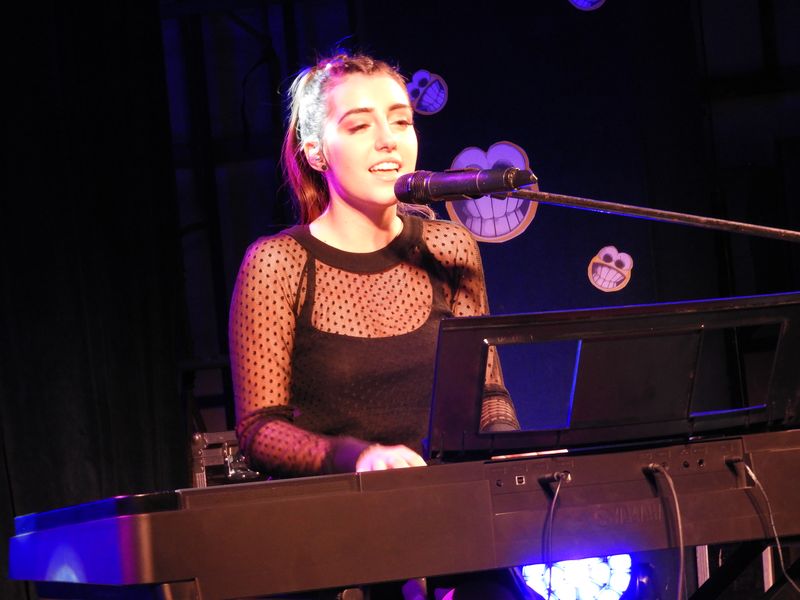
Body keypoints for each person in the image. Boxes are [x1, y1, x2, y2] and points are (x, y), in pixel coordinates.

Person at [229, 52, 534, 599]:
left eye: (400, 121)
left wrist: (511, 446)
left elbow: (488, 393)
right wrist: (360, 458)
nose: (388, 140)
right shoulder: (277, 263)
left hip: (451, 530)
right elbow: (259, 430)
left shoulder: (450, 246)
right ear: (315, 151)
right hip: (332, 542)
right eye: (360, 126)